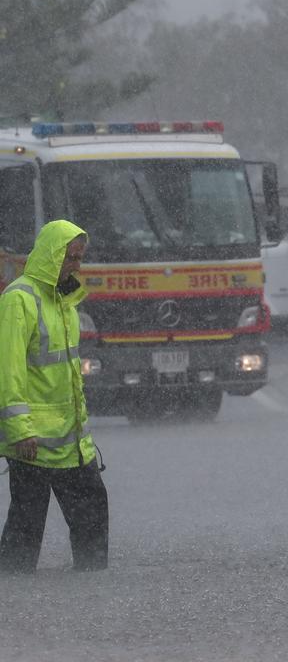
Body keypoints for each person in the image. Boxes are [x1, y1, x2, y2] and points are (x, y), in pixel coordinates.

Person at [0, 220, 109, 573]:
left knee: (92, 510)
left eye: (80, 258)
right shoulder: (19, 299)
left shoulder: (64, 302)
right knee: (27, 524)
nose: (77, 265)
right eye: (71, 257)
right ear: (51, 255)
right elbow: (8, 369)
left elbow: (68, 375)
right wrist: (20, 430)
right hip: (32, 442)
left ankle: (92, 587)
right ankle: (15, 591)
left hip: (71, 441)